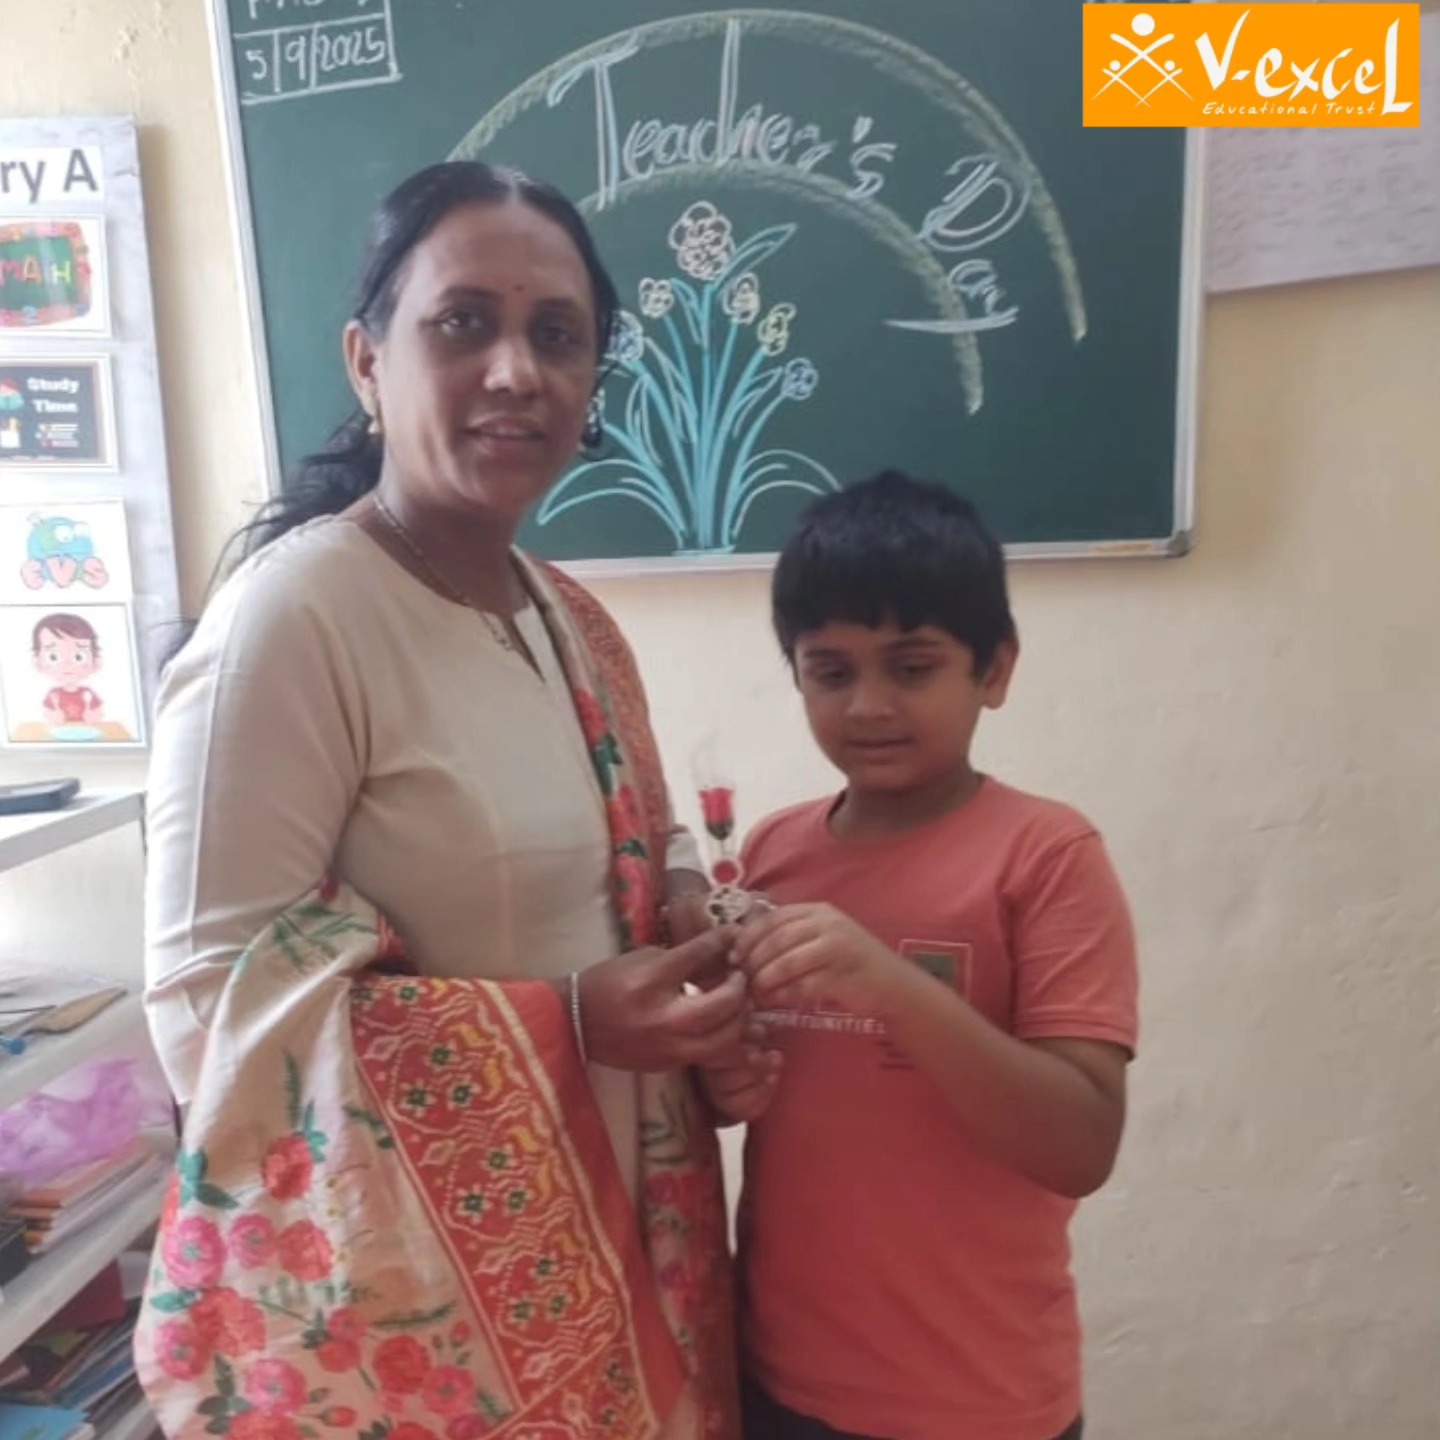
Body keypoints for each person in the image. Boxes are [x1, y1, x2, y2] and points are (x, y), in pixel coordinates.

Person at [137, 162, 747, 1440]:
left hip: (623, 1266)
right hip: (434, 1331)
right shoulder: (295, 620)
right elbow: (205, 1008)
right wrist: (567, 1024)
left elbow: (641, 835)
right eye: (464, 322)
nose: (517, 370)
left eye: (558, 335)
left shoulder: (570, 615)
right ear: (368, 361)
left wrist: (692, 908)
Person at [704, 472, 1138, 1440]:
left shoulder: (1047, 856)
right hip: (777, 1380)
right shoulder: (772, 853)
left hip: (979, 1400)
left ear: (995, 669)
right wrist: (722, 1077)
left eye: (912, 667)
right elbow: (766, 1089)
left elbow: (1082, 1144)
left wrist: (887, 984)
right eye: (830, 672)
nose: (868, 706)